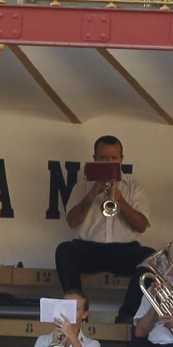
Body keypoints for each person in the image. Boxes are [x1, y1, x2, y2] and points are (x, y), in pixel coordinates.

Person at [54, 136, 150, 321]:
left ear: (121, 159)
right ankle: (78, 314)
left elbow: (141, 226)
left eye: (113, 158)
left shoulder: (134, 187)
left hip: (124, 250)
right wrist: (92, 193)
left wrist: (120, 200)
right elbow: (72, 222)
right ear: (94, 159)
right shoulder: (82, 187)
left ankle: (127, 315)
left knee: (151, 258)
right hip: (89, 249)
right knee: (64, 251)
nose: (109, 163)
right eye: (103, 158)